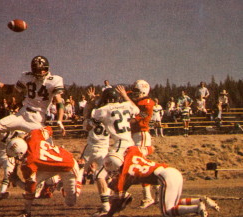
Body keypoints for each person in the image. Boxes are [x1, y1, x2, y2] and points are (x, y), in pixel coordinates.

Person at [0, 55, 66, 152]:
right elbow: (12, 90)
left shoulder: (54, 80)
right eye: (39, 70)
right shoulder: (27, 77)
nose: (42, 72)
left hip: (37, 120)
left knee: (48, 148)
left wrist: (60, 120)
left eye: (43, 69)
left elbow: (59, 102)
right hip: (22, 114)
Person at [103, 146, 220, 217]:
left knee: (167, 212)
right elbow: (151, 149)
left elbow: (119, 201)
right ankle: (201, 200)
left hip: (165, 177)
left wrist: (109, 214)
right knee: (172, 203)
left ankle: (197, 208)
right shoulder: (131, 151)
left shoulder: (125, 175)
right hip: (172, 171)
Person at [7, 127, 82, 217]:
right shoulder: (33, 136)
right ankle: (27, 212)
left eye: (16, 156)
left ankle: (80, 171)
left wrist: (16, 180)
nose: (16, 159)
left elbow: (30, 188)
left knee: (70, 202)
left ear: (21, 153)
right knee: (35, 184)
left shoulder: (29, 164)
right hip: (49, 167)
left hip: (68, 166)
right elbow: (49, 129)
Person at [79, 87, 111, 216]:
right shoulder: (111, 116)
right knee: (101, 176)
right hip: (104, 149)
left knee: (78, 171)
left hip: (91, 148)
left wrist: (90, 102)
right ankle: (106, 204)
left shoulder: (95, 115)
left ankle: (71, 192)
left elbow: (86, 121)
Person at [127, 80, 157, 208]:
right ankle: (158, 185)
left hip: (141, 134)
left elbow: (138, 118)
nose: (134, 94)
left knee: (141, 166)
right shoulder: (138, 100)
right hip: (134, 135)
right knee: (133, 164)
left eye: (137, 92)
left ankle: (148, 197)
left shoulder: (147, 103)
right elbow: (125, 93)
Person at [91, 86, 140, 155]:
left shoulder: (104, 109)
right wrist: (125, 95)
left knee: (107, 163)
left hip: (120, 144)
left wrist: (93, 100)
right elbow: (136, 109)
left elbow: (93, 117)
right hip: (131, 142)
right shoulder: (127, 105)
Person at [0, 130, 27, 199]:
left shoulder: (19, 130)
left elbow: (23, 140)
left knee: (8, 174)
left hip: (9, 155)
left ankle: (2, 192)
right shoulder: (2, 127)